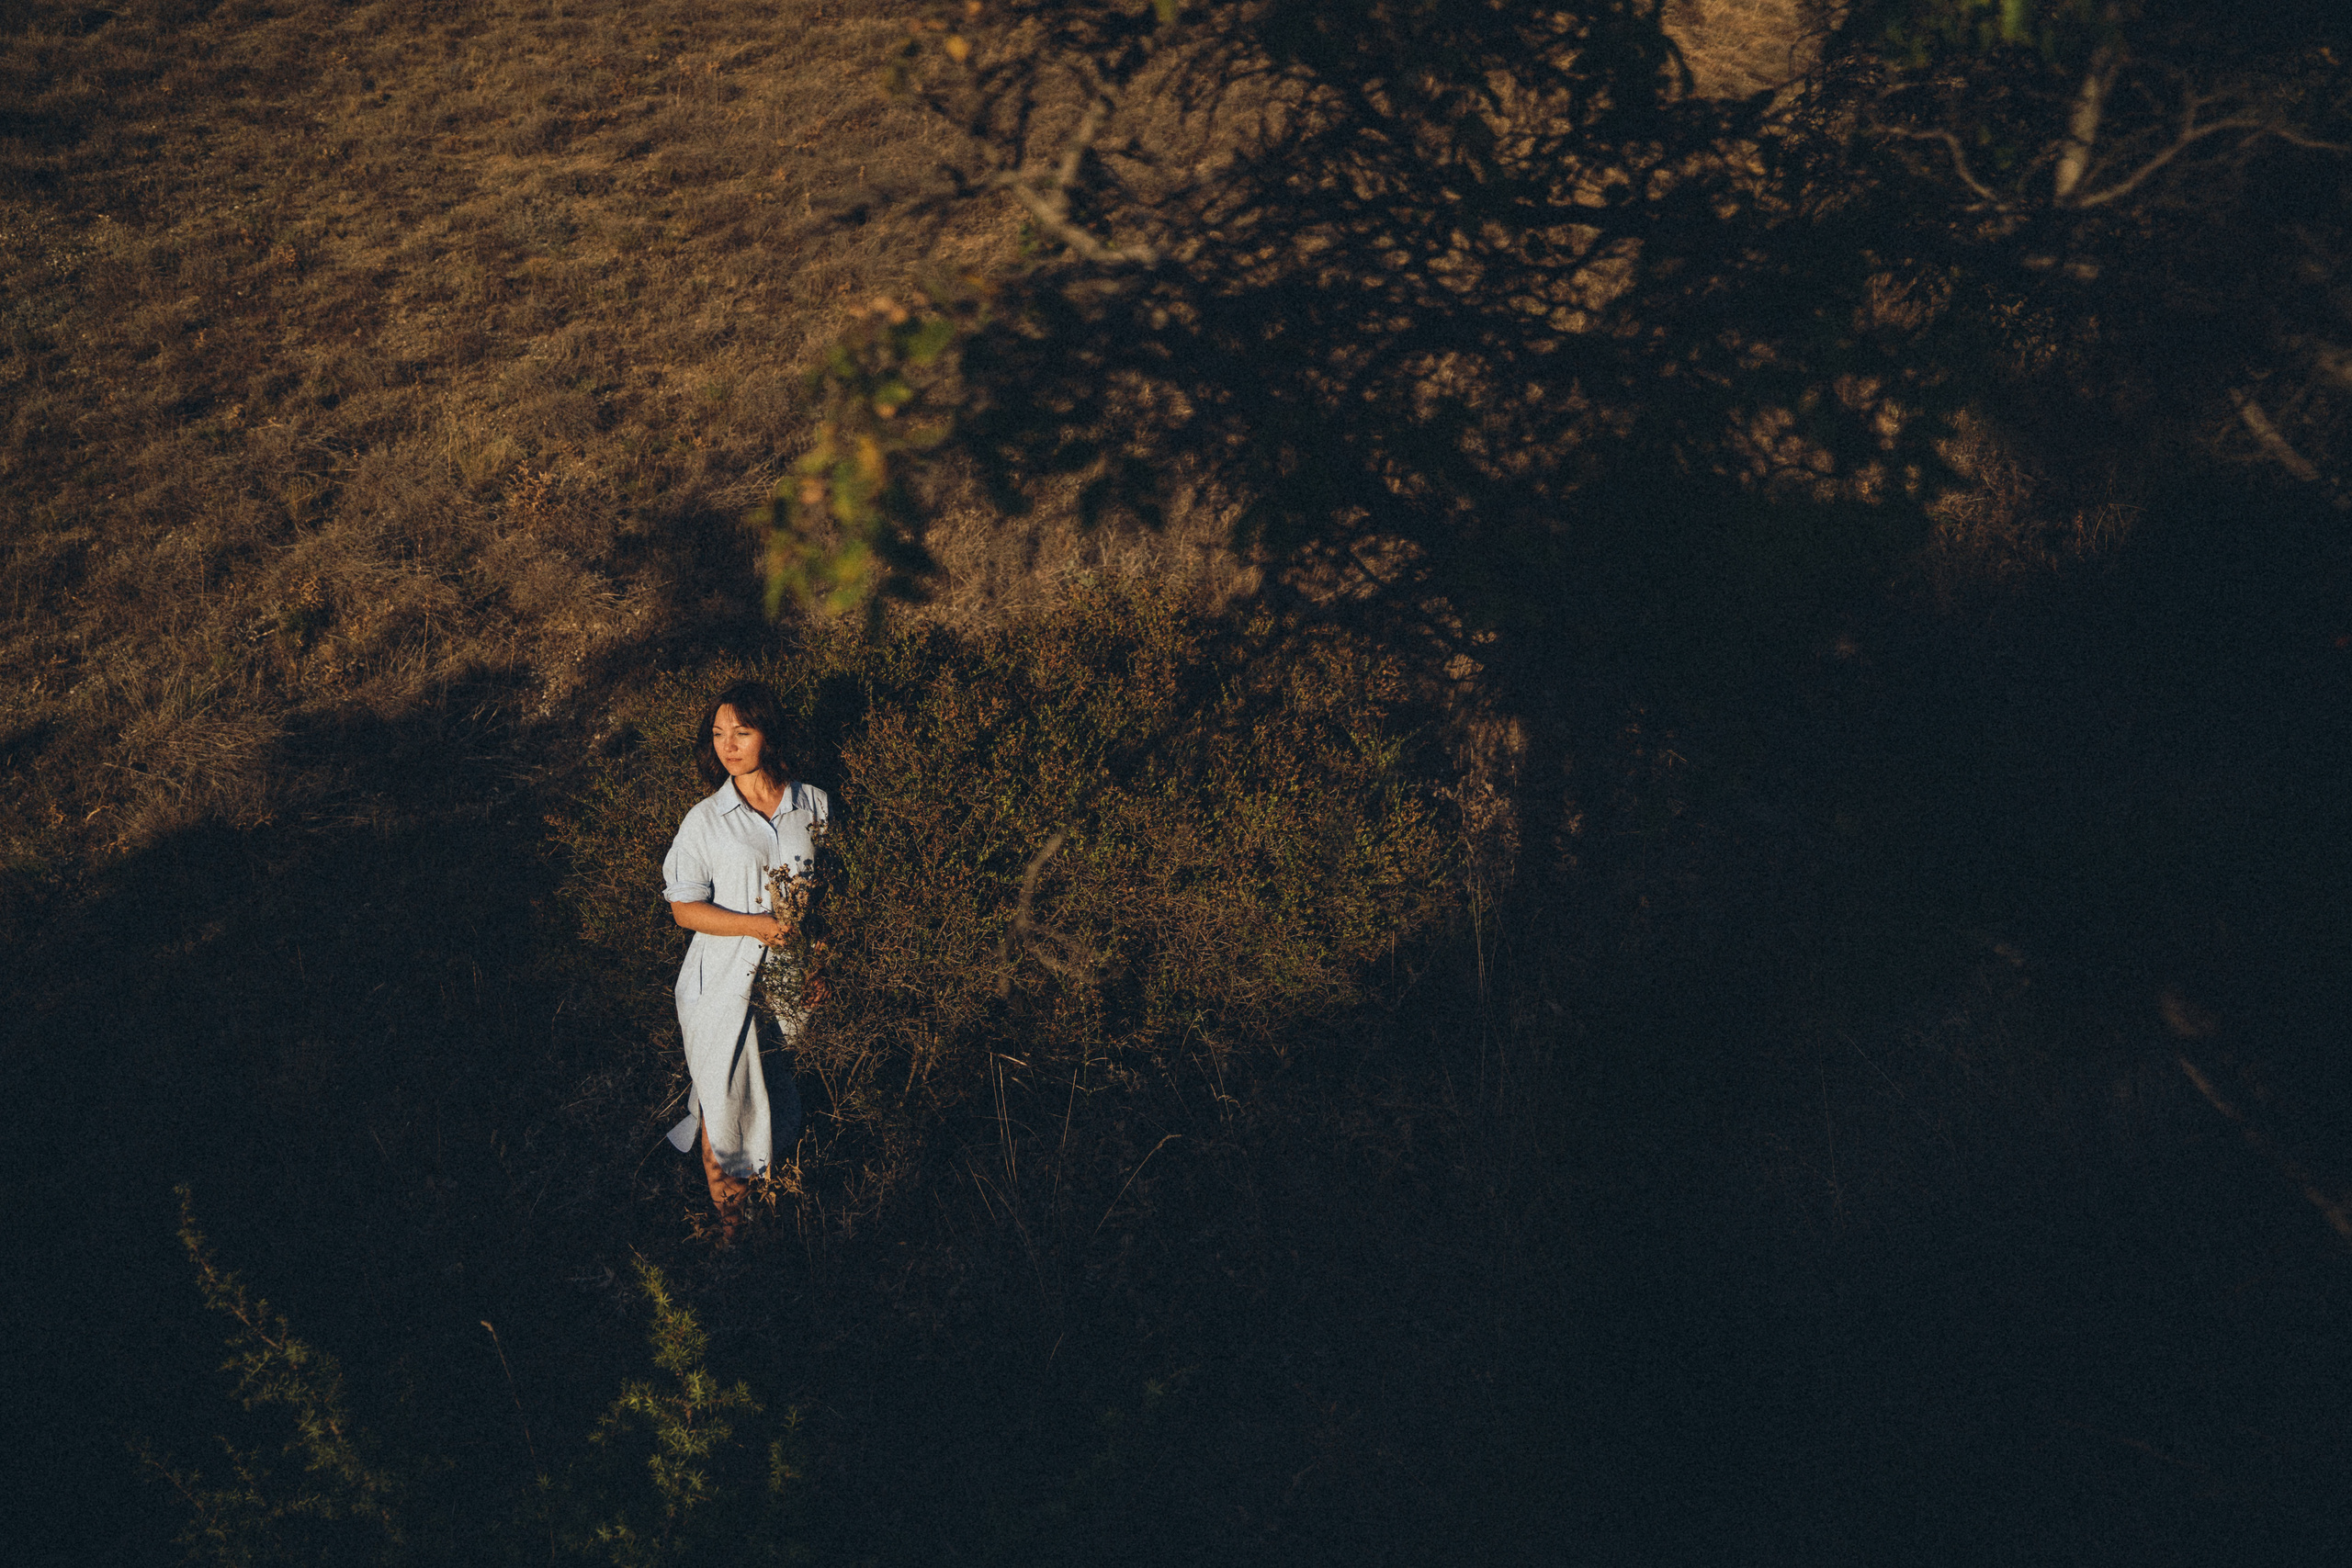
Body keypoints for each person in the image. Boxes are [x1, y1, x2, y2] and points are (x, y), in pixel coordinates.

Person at [659, 679, 830, 1242]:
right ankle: (733, 1241)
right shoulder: (706, 819)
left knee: (777, 1105)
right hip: (719, 983)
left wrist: (820, 961)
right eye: (717, 734)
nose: (727, 745)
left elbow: (831, 892)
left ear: (769, 734)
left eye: (742, 731)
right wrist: (754, 926)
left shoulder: (813, 803)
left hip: (786, 984)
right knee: (722, 1105)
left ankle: (773, 1232)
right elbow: (684, 908)